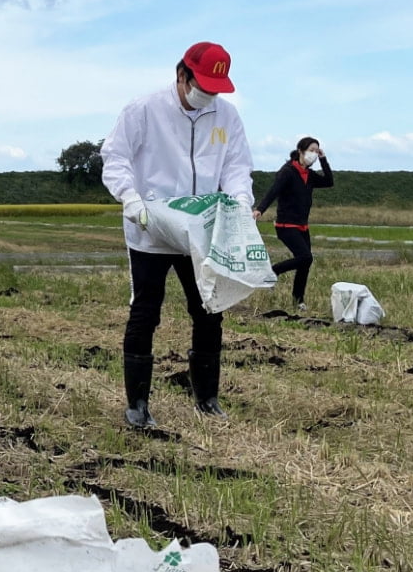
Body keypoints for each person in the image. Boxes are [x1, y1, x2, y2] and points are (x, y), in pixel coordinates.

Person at [101, 42, 254, 429]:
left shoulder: (226, 117)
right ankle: (137, 404)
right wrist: (131, 199)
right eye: (201, 85)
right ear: (181, 75)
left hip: (200, 231)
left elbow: (237, 166)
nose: (207, 95)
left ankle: (207, 397)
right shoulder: (144, 110)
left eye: (215, 88)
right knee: (145, 312)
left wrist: (239, 201)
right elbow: (115, 157)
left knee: (209, 309)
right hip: (150, 228)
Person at [254, 137, 334, 313]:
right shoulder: (288, 171)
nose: (314, 153)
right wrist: (260, 209)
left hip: (302, 225)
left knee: (304, 264)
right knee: (306, 257)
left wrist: (323, 159)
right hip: (285, 225)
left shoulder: (310, 176)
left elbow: (329, 181)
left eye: (317, 150)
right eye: (312, 150)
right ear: (301, 151)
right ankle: (272, 271)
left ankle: (298, 300)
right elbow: (273, 191)